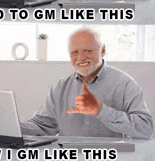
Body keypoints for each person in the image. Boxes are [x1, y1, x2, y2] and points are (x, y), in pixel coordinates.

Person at [21, 28, 153, 139]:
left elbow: (146, 129)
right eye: (74, 53)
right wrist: (10, 127)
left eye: (88, 51)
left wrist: (101, 110)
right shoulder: (60, 88)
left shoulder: (125, 84)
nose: (81, 58)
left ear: (102, 50)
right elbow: (42, 126)